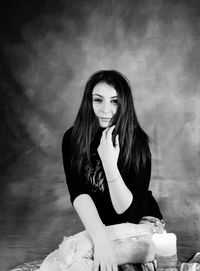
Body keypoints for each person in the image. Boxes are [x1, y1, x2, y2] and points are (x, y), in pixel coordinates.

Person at [40, 70, 163, 271]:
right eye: (98, 100)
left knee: (67, 260)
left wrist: (109, 162)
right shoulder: (73, 138)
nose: (106, 109)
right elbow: (79, 193)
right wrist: (101, 239)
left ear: (124, 105)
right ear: (89, 102)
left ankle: (145, 259)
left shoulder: (137, 143)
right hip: (106, 229)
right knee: (59, 263)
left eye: (115, 101)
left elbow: (130, 216)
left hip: (143, 226)